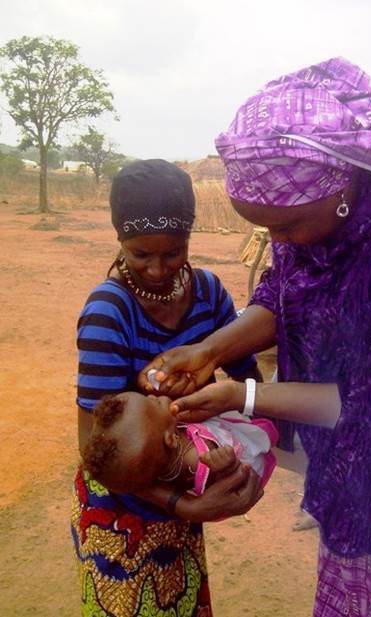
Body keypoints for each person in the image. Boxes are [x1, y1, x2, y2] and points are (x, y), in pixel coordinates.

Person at [139, 58, 371, 616]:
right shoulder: (315, 227)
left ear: (342, 185)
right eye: (266, 228)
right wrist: (210, 349)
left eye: (285, 228)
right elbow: (279, 294)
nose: (276, 241)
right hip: (353, 490)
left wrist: (242, 396)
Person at [71, 159, 263, 617]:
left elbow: (246, 375)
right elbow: (92, 448)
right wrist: (182, 505)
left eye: (173, 252)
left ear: (188, 240)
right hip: (122, 511)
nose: (157, 269)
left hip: (186, 489)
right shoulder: (108, 312)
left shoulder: (210, 294)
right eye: (140, 254)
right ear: (120, 239)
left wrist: (247, 448)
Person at [81, 391, 278, 497]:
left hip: (210, 435)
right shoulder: (197, 460)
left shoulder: (158, 455)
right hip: (241, 454)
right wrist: (226, 467)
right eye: (156, 404)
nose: (153, 396)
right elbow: (231, 485)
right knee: (263, 436)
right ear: (171, 439)